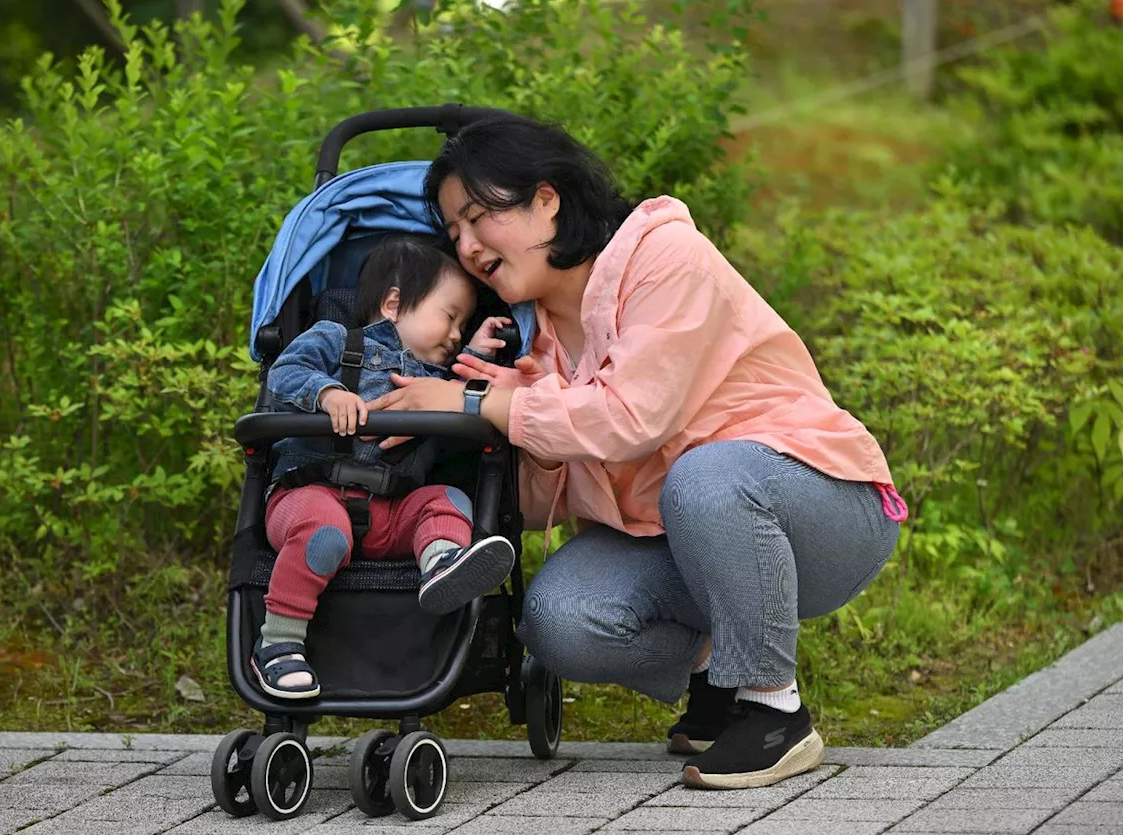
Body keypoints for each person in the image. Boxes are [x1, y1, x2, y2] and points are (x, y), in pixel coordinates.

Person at [366, 115, 907, 789]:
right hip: (686, 541)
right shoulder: (534, 346)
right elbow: (534, 510)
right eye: (454, 233)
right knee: (558, 619)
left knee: (703, 474)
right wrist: (518, 420)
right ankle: (717, 677)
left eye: (479, 217)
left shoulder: (663, 257)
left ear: (546, 199)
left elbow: (632, 417)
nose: (470, 246)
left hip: (825, 508)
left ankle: (774, 711)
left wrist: (486, 407)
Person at [251, 234, 518, 700]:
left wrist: (475, 350)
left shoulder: (432, 377)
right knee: (323, 530)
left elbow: (458, 384)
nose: (456, 332)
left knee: (447, 500)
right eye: (450, 317)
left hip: (388, 511)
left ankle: (441, 563)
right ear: (394, 304)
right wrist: (328, 394)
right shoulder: (334, 340)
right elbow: (285, 372)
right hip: (309, 495)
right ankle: (278, 644)